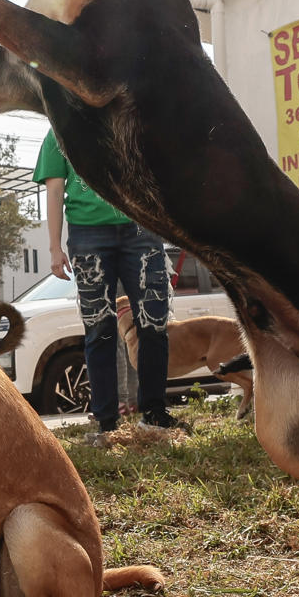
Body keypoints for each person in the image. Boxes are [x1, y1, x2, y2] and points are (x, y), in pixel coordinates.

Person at [35, 129, 175, 433]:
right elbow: (56, 188)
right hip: (88, 234)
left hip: (141, 227)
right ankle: (106, 420)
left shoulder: (129, 116)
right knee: (99, 328)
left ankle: (154, 413)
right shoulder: (60, 128)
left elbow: (160, 173)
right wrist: (55, 247)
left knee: (153, 322)